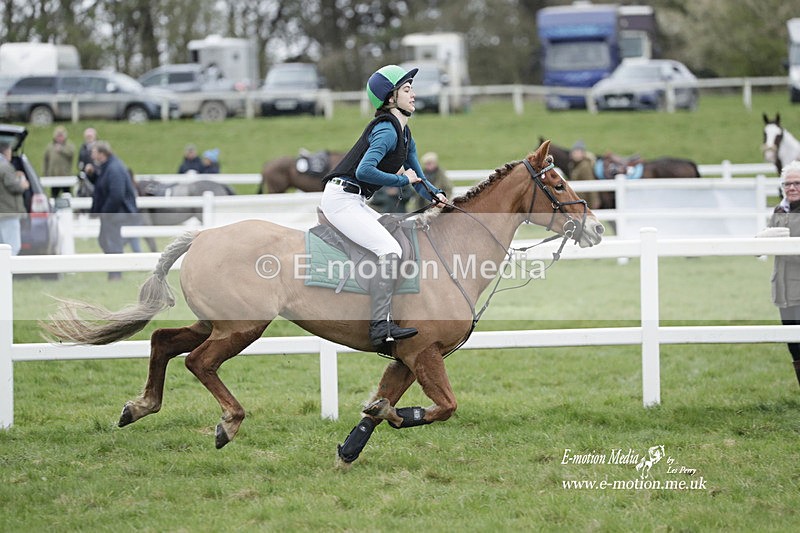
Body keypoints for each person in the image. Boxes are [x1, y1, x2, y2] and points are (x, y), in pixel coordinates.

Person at [320, 64, 447, 348]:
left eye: (412, 88)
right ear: (390, 98)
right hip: (341, 199)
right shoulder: (387, 132)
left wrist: (436, 195)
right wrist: (400, 179)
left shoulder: (404, 134)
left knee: (394, 241)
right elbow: (366, 171)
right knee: (390, 248)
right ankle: (379, 325)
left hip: (353, 199)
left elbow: (419, 178)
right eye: (406, 89)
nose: (413, 94)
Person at [767, 160, 800, 387]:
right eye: (787, 183)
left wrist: (777, 243)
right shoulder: (779, 210)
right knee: (795, 347)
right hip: (785, 290)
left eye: (797, 183)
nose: (792, 187)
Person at [90, 141, 140, 280]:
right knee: (105, 240)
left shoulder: (114, 169)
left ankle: (116, 274)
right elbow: (101, 185)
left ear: (101, 154)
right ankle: (114, 271)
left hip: (115, 213)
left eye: (94, 152)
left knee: (112, 241)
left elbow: (116, 194)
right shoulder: (107, 167)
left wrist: (105, 212)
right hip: (112, 213)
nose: (92, 154)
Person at [0, 141, 30, 255]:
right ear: (7, 151)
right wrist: (23, 185)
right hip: (8, 212)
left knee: (2, 247)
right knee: (12, 247)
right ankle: (7, 272)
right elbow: (12, 185)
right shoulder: (5, 166)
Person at [43, 125, 75, 198]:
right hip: (54, 175)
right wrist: (45, 173)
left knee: (67, 195)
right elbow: (45, 161)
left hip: (65, 175)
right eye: (58, 136)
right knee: (54, 195)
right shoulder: (50, 147)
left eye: (61, 136)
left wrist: (62, 150)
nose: (59, 138)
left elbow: (71, 154)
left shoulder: (69, 145)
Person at [567, 140, 600, 210]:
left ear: (583, 153)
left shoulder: (585, 166)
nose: (575, 153)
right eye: (574, 151)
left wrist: (594, 201)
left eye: (578, 151)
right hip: (579, 201)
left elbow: (590, 182)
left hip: (585, 201)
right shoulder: (574, 165)